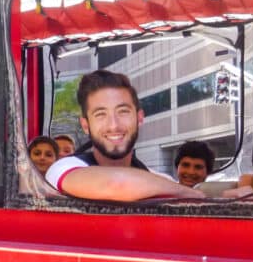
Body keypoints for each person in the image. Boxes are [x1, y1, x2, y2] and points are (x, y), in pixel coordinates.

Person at [45, 70, 202, 200]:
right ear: (86, 125)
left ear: (139, 117)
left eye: (123, 111)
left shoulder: (162, 181)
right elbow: (116, 185)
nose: (114, 125)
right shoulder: (62, 168)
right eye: (100, 114)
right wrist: (191, 194)